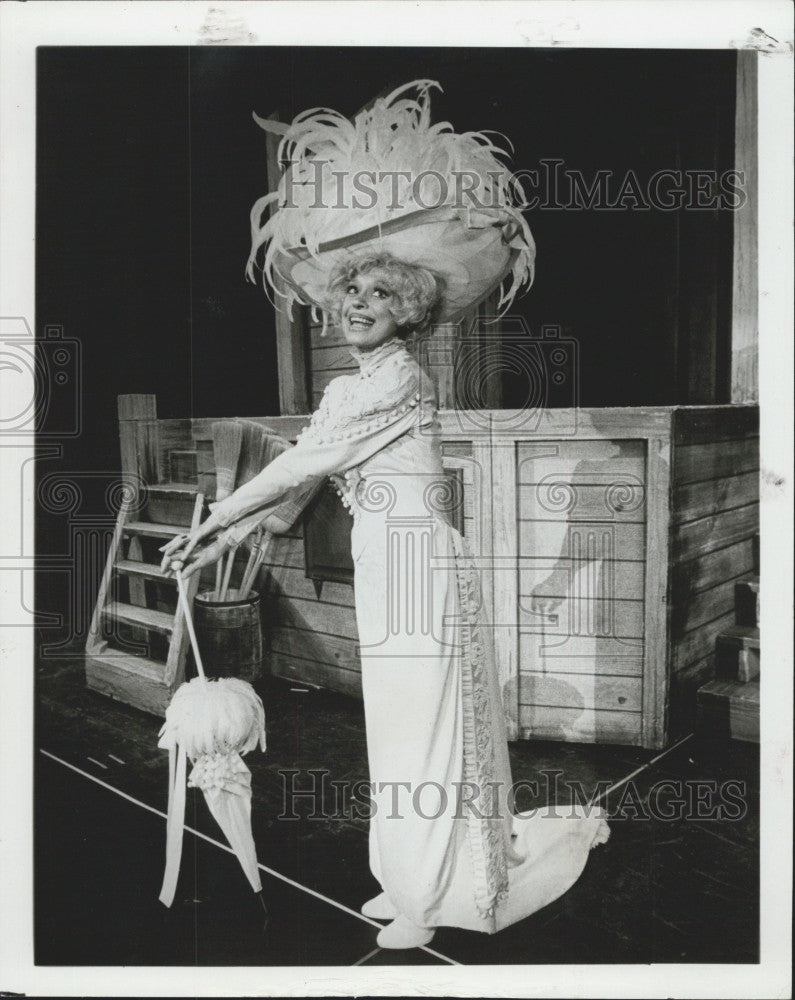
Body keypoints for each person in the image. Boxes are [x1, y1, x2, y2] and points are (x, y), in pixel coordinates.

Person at [161, 81, 609, 950]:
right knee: (397, 735)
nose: (357, 306)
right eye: (347, 295)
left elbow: (301, 460)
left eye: (376, 294)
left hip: (419, 567)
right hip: (384, 562)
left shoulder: (401, 376)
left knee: (428, 735)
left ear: (406, 304)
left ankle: (436, 891)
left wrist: (212, 520)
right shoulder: (347, 387)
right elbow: (296, 487)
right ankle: (406, 878)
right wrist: (222, 536)